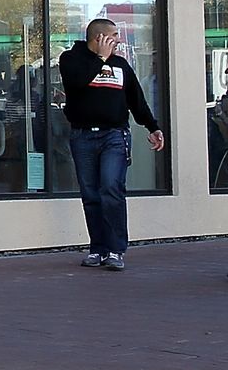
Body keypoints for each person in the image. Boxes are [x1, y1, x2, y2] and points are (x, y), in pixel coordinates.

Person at [58, 19, 164, 271]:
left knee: (111, 187)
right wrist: (100, 60)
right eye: (114, 36)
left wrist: (152, 127)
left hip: (114, 135)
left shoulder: (121, 65)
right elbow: (76, 83)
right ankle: (98, 248)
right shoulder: (71, 59)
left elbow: (136, 100)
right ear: (99, 38)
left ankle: (116, 250)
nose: (118, 40)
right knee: (91, 194)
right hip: (82, 135)